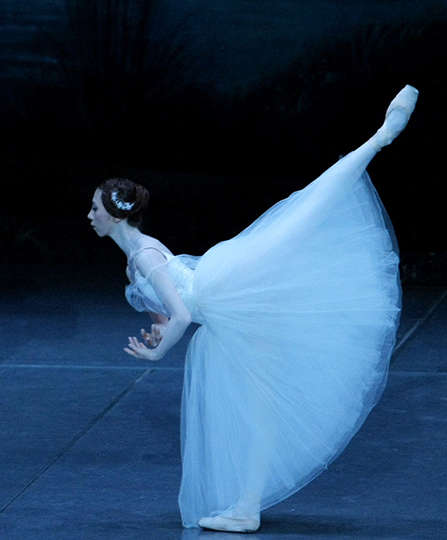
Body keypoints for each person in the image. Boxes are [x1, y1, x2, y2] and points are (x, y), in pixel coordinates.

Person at [87, 86, 417, 532]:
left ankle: (379, 137)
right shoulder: (134, 263)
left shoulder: (144, 255)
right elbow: (166, 318)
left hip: (224, 288)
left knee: (296, 222)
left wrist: (157, 352)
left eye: (95, 208)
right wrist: (156, 333)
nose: (89, 215)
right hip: (226, 319)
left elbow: (180, 315)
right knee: (255, 412)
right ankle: (246, 506)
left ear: (115, 214)